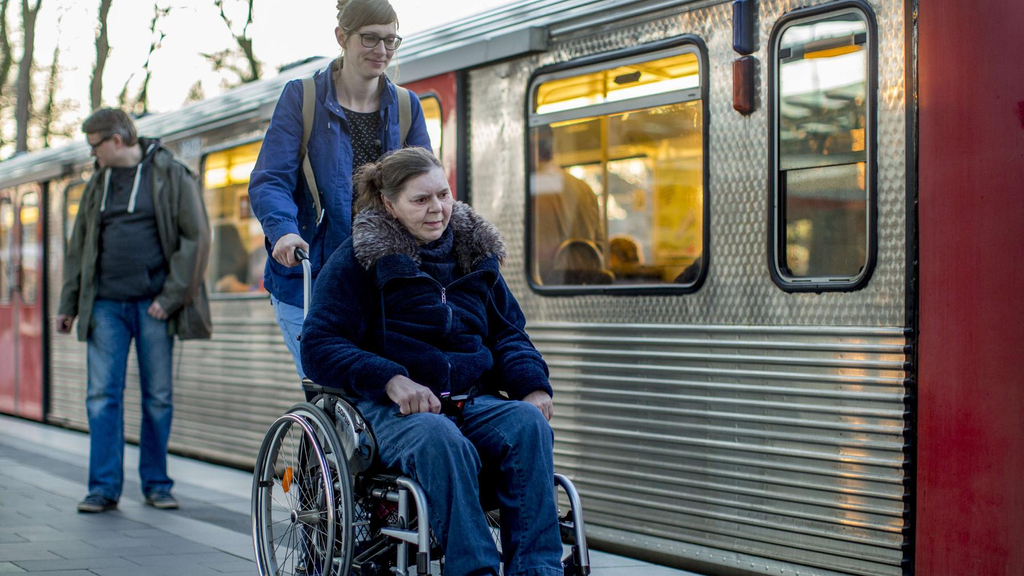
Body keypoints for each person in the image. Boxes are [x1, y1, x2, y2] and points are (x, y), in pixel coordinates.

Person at [301, 147, 563, 576]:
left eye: (443, 194)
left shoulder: (474, 255)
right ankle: (475, 570)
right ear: (389, 204)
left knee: (528, 424)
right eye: (420, 200)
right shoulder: (358, 260)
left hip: (469, 400)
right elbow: (319, 344)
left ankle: (538, 570)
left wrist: (531, 386)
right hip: (390, 410)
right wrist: (390, 378)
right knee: (439, 438)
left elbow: (509, 334)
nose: (437, 209)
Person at [249, 0, 431, 381]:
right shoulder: (303, 98)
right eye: (370, 38)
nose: (382, 50)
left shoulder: (405, 107)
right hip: (310, 278)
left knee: (384, 386)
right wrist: (283, 231)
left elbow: (425, 184)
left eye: (390, 40)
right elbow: (270, 178)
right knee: (333, 385)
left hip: (378, 281)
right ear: (342, 37)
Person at [56, 108, 212, 513]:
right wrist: (69, 303)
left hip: (153, 306)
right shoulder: (98, 183)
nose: (93, 154)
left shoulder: (170, 174)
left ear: (116, 141)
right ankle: (103, 488)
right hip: (105, 305)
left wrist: (170, 298)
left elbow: (196, 238)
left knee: (157, 397)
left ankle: (157, 484)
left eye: (95, 146)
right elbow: (79, 246)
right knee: (101, 397)